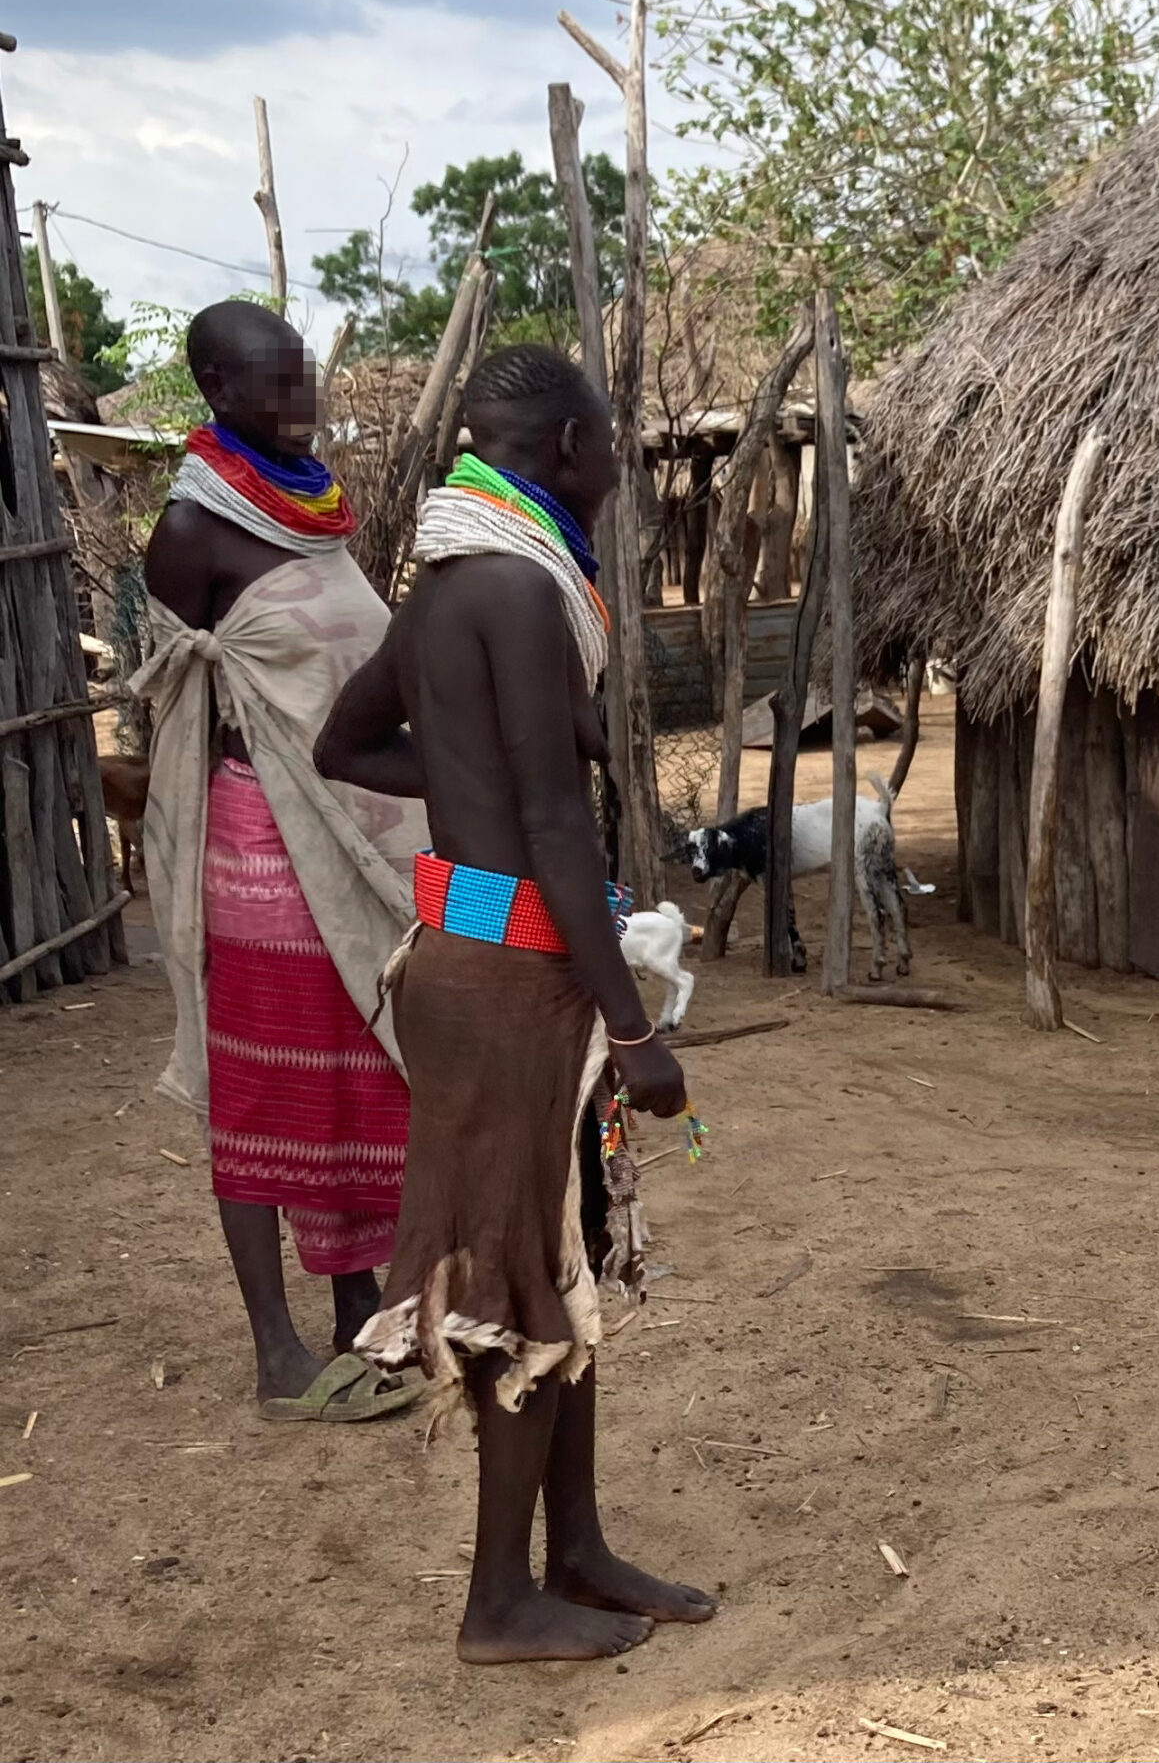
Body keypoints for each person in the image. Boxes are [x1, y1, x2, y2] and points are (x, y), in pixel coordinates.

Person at [317, 343, 713, 1664]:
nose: (616, 469)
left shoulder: (449, 586)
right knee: (513, 1284)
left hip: (476, 956)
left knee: (563, 1255)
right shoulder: (523, 591)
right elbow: (550, 824)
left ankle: (576, 1551)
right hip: (509, 985)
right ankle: (497, 1601)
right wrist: (636, 1028)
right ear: (568, 451)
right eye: (610, 449)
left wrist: (471, 772)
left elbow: (346, 742)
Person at [135, 302, 427, 1421]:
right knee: (264, 1091)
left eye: (304, 376)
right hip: (262, 849)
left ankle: (358, 1311)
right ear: (215, 387)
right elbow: (188, 708)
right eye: (275, 381)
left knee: (356, 1073)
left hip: (350, 835)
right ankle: (276, 1354)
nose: (302, 400)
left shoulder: (311, 505)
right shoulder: (192, 530)